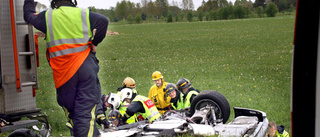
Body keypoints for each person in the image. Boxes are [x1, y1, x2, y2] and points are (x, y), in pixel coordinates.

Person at [24, 0, 108, 136]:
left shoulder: (48, 16)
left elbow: (28, 16)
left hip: (64, 76)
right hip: (85, 68)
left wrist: (29, 1)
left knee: (74, 115)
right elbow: (103, 21)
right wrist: (94, 43)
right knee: (84, 115)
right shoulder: (83, 13)